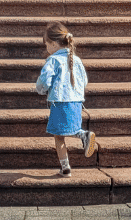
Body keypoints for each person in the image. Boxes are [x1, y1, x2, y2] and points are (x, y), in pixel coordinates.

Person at [35, 21, 97, 176]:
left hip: (60, 102)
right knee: (64, 131)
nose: (47, 49)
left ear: (54, 44)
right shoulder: (76, 60)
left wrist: (41, 90)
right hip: (76, 101)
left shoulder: (53, 60)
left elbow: (44, 81)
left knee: (60, 134)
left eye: (47, 45)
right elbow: (85, 81)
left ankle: (82, 138)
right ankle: (66, 166)